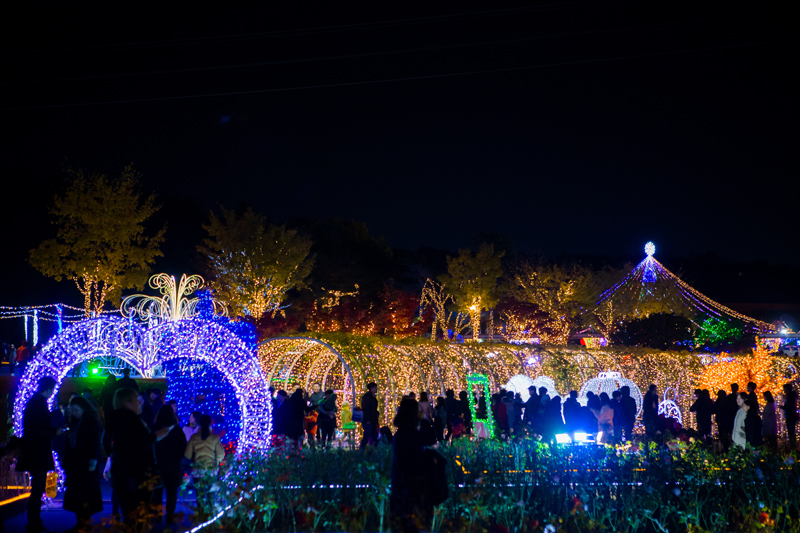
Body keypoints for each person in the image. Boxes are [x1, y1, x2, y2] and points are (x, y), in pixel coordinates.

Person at [109, 387, 173, 523]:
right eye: (136, 400)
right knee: (137, 516)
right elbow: (136, 444)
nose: (140, 403)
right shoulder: (129, 420)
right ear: (127, 403)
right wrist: (155, 436)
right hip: (135, 476)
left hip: (125, 475)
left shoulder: (118, 419)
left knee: (132, 515)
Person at [20, 376, 63, 533]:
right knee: (37, 489)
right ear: (49, 389)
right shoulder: (39, 403)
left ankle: (35, 522)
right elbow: (37, 429)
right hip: (37, 453)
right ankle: (33, 524)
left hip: (35, 452)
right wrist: (54, 432)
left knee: (37, 488)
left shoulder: (35, 402)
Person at [62, 396, 103, 533]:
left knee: (84, 494)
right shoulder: (74, 421)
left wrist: (93, 459)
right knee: (78, 494)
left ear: (84, 409)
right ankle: (81, 523)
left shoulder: (90, 421)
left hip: (85, 462)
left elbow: (94, 441)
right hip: (75, 462)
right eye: (72, 410)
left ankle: (84, 524)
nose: (74, 412)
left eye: (76, 410)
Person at [390, 398, 430, 533]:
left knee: (404, 523)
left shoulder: (400, 433)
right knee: (414, 522)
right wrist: (425, 421)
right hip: (413, 484)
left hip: (401, 484)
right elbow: (431, 438)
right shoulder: (410, 433)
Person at [153, 406, 187, 524]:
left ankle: (157, 515)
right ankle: (170, 515)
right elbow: (184, 447)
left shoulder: (155, 429)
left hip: (158, 466)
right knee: (172, 493)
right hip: (173, 466)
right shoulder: (177, 430)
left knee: (157, 492)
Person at [360, 383, 379, 449]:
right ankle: (362, 451)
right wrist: (368, 419)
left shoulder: (372, 397)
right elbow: (366, 409)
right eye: (375, 387)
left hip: (372, 420)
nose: (376, 389)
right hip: (369, 421)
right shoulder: (368, 397)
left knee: (374, 437)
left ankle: (373, 452)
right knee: (367, 437)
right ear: (371, 388)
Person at [780, 383, 798, 451]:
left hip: (790, 416)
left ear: (787, 389)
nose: (784, 390)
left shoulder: (790, 396)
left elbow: (790, 406)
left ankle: (792, 445)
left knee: (791, 431)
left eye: (784, 389)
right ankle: (792, 445)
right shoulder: (791, 396)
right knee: (791, 431)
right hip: (791, 415)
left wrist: (783, 407)